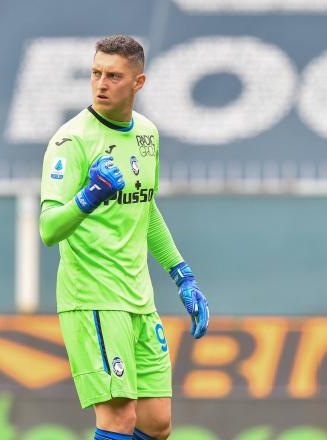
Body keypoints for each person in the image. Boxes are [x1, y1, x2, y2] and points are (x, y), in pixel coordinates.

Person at [39, 35, 210, 440]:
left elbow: (146, 208)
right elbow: (48, 228)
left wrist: (182, 275)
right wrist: (88, 196)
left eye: (114, 76)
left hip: (138, 298)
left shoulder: (147, 135)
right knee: (118, 419)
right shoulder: (72, 140)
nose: (101, 83)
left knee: (157, 424)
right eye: (96, 73)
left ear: (138, 82)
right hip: (93, 297)